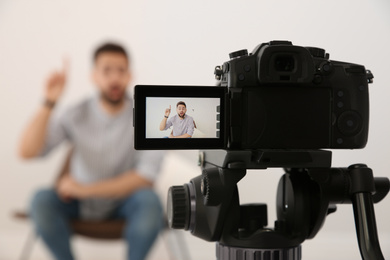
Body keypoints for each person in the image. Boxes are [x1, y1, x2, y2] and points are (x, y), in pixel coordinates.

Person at [18, 43, 164, 260]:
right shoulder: (75, 113)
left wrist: (85, 189)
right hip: (75, 203)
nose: (114, 78)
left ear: (129, 75)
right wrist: (49, 102)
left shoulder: (148, 117)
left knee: (150, 201)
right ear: (94, 76)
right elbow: (27, 151)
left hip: (124, 202)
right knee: (41, 200)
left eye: (121, 70)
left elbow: (145, 177)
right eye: (106, 70)